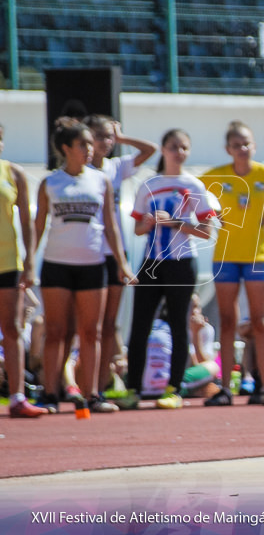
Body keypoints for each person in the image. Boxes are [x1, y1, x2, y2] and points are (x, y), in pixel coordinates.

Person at [34, 117, 134, 414]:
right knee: (55, 330)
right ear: (66, 148)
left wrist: (122, 263)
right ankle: (51, 394)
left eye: (91, 143)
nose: (90, 149)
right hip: (57, 264)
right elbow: (38, 225)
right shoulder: (50, 182)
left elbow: (111, 226)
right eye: (83, 144)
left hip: (93, 263)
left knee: (92, 331)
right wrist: (28, 263)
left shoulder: (101, 179)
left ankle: (92, 394)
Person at [200, 121, 264, 407]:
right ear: (228, 149)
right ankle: (226, 389)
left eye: (246, 144)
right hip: (226, 256)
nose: (242, 149)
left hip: (259, 255)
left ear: (254, 146)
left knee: (260, 320)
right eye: (236, 145)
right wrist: (209, 214)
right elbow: (191, 190)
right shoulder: (218, 175)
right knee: (228, 321)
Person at [119, 129, 218, 410]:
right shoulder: (148, 184)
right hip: (151, 263)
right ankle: (133, 389)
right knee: (140, 326)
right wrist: (148, 223)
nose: (179, 152)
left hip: (182, 263)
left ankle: (174, 389)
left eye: (184, 147)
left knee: (179, 326)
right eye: (174, 147)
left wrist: (174, 221)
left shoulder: (194, 185)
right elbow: (138, 228)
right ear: (163, 149)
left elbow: (205, 230)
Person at [83, 115, 157, 397]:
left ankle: (100, 388)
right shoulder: (80, 171)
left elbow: (150, 150)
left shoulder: (117, 167)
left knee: (108, 324)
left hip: (115, 252)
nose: (106, 142)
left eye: (108, 137)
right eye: (99, 136)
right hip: (86, 251)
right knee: (86, 326)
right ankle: (74, 385)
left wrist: (122, 137)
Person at [0, 124, 47, 417]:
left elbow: (28, 222)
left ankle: (17, 396)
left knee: (12, 328)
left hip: (7, 261)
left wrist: (30, 261)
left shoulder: (13, 173)